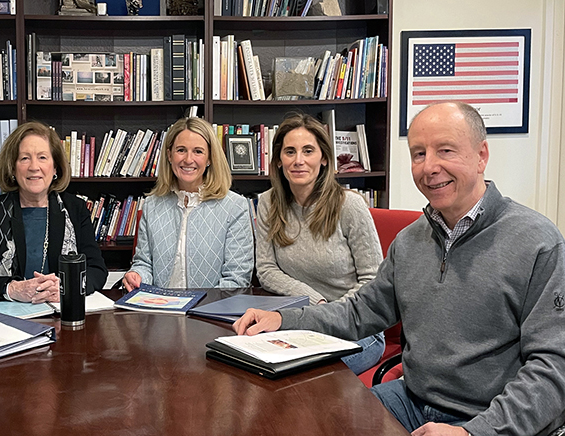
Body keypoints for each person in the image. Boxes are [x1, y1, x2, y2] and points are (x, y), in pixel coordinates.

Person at [233, 102, 565, 436]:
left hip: (487, 416)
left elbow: (554, 368)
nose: (429, 167)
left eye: (445, 150)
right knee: (309, 421)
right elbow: (360, 312)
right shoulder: (409, 242)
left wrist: (473, 433)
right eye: (418, 154)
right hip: (412, 399)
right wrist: (284, 320)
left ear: (481, 155)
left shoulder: (537, 242)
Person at [256, 113, 384, 375]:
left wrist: (331, 314)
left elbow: (373, 280)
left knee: (306, 377)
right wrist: (316, 303)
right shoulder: (268, 203)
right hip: (302, 322)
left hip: (357, 327)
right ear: (279, 160)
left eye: (308, 151)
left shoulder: (350, 205)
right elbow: (267, 270)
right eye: (289, 152)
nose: (298, 160)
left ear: (324, 158)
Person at [0, 121, 107, 302]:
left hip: (62, 312)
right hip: (9, 317)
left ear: (55, 167)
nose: (34, 167)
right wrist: (12, 289)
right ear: (12, 167)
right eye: (25, 158)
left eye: (42, 157)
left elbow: (96, 269)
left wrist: (69, 286)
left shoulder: (75, 209)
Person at [123, 117, 253, 290]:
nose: (188, 159)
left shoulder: (235, 207)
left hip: (209, 311)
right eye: (181, 150)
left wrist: (197, 306)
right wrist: (137, 275)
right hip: (159, 309)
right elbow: (144, 263)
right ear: (169, 155)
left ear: (209, 159)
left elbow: (237, 278)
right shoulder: (151, 205)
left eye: (198, 151)